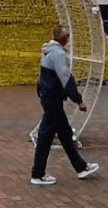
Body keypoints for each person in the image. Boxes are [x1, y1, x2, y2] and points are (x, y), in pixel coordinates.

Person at [30, 24, 99, 185]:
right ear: (62, 38)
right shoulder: (58, 54)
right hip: (53, 100)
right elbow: (66, 78)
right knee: (45, 137)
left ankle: (81, 167)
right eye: (67, 36)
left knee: (65, 135)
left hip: (49, 98)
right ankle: (38, 174)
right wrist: (78, 100)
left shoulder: (47, 50)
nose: (68, 39)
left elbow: (41, 77)